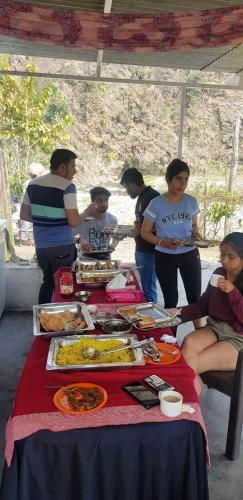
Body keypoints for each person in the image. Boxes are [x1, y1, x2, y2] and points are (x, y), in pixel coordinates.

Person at [20, 149, 97, 303]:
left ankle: (43, 321)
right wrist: (87, 211)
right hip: (62, 248)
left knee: (48, 283)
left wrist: (46, 220)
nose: (75, 171)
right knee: (65, 285)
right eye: (73, 166)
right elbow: (74, 221)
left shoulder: (32, 184)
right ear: (62, 167)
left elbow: (24, 215)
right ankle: (64, 322)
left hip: (41, 247)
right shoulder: (67, 186)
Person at [167, 232, 243, 375]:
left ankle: (184, 394)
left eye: (231, 257)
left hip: (239, 337)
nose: (224, 260)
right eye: (222, 255)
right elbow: (203, 306)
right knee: (189, 343)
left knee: (190, 367)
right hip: (215, 327)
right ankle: (189, 391)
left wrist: (232, 292)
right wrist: (178, 313)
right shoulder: (219, 273)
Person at [141, 158, 202, 326]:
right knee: (170, 300)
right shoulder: (156, 204)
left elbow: (195, 225)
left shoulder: (191, 201)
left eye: (186, 179)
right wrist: (162, 242)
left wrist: (196, 235)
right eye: (178, 178)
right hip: (165, 256)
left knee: (195, 299)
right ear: (169, 180)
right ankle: (171, 340)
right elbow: (145, 232)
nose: (182, 183)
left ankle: (200, 335)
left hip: (189, 254)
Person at [120, 168, 159, 303]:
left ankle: (153, 319)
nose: (127, 191)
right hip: (141, 248)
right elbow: (142, 223)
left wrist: (139, 231)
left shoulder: (152, 197)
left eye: (126, 187)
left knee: (148, 289)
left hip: (150, 251)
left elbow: (160, 224)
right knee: (145, 287)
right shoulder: (142, 197)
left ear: (131, 183)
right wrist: (134, 230)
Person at [74, 186, 118, 261]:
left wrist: (113, 245)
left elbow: (116, 236)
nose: (104, 203)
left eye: (106, 200)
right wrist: (80, 240)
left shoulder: (112, 219)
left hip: (105, 258)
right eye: (100, 201)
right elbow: (67, 236)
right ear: (92, 202)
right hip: (86, 258)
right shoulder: (83, 219)